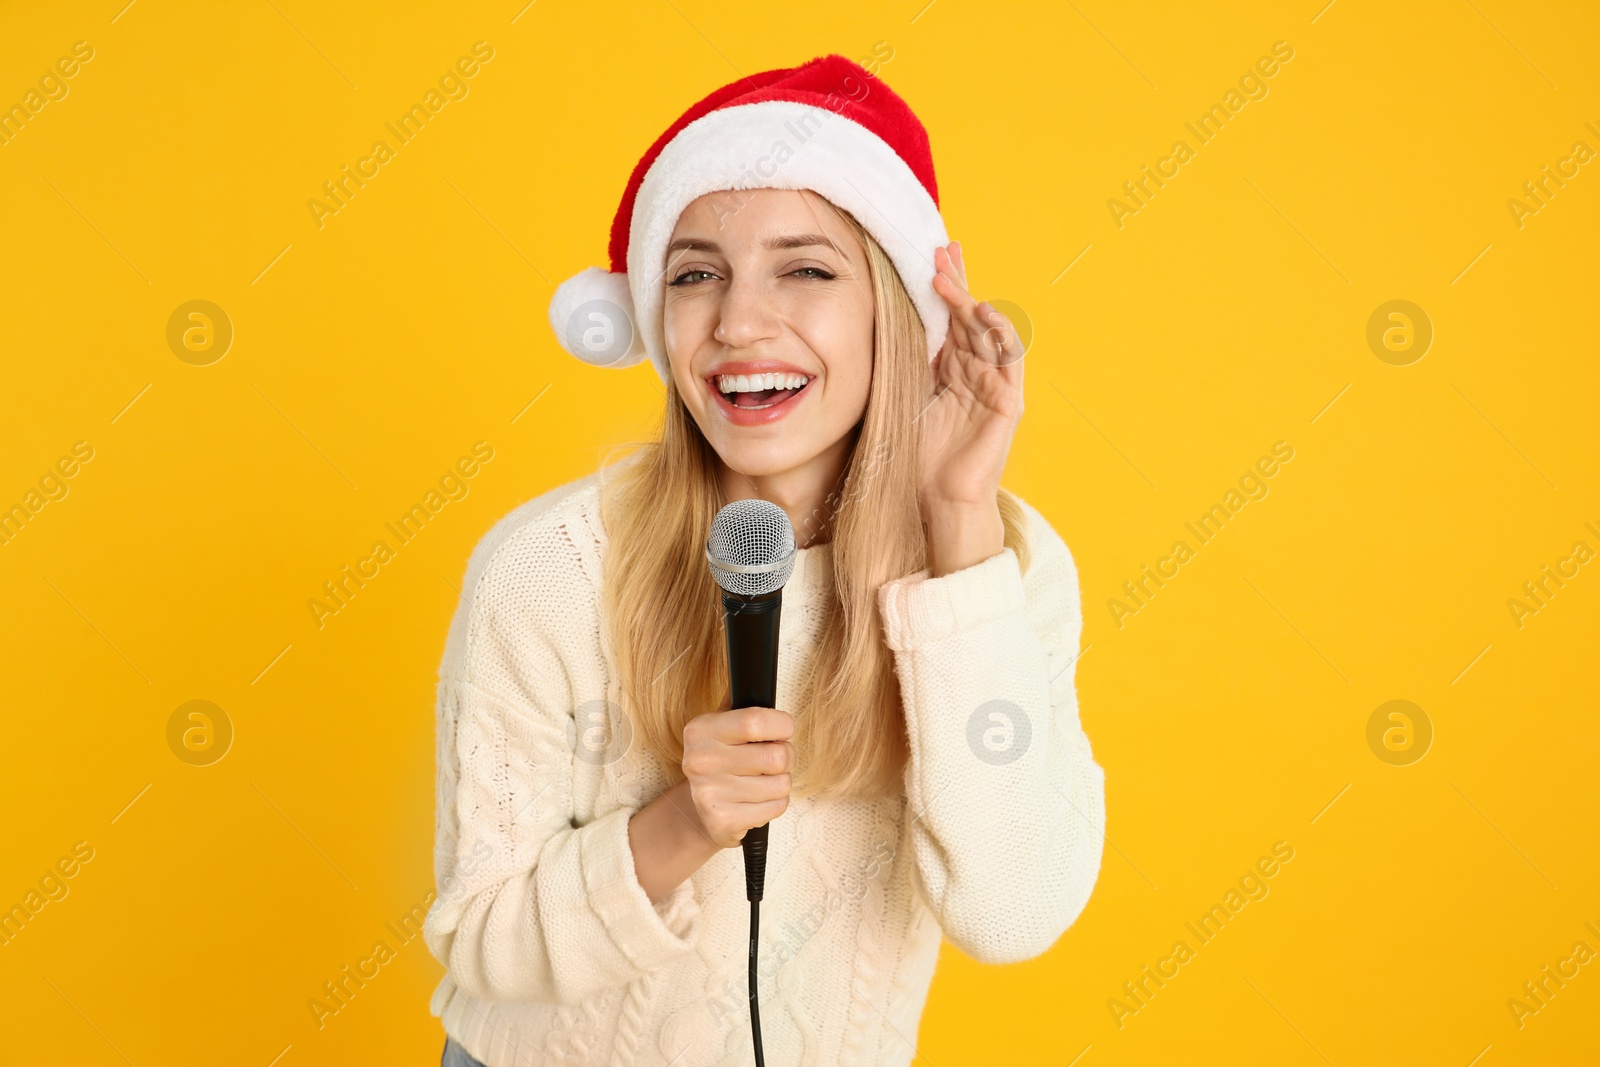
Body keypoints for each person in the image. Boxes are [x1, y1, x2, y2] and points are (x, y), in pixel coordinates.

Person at [422, 53, 1105, 1067]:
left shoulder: (1006, 574)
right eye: (696, 273)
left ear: (896, 308)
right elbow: (482, 938)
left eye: (806, 268)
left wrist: (957, 525)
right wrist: (681, 824)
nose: (738, 323)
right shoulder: (550, 569)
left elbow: (1011, 912)